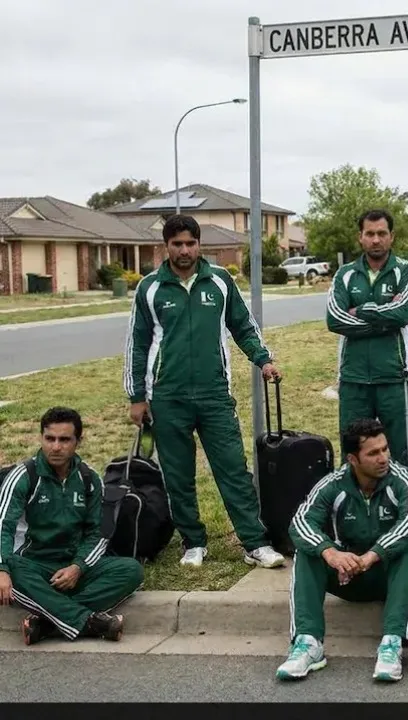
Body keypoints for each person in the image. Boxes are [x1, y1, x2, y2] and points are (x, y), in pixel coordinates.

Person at [124, 214, 285, 570]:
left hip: (215, 395)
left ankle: (255, 543)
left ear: (200, 244)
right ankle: (193, 543)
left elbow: (243, 326)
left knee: (233, 470)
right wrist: (137, 396)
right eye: (177, 244)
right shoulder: (150, 288)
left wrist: (263, 360)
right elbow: (137, 344)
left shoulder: (221, 281)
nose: (185, 250)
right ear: (165, 247)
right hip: (168, 397)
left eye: (191, 243)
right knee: (179, 474)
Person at [276, 419, 408, 683]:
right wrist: (331, 553)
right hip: (347, 575)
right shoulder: (332, 484)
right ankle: (308, 643)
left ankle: (391, 645)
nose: (383, 458)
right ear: (353, 459)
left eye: (385, 449)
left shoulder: (404, 481)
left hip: (387, 576)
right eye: (373, 453)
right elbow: (300, 523)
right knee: (308, 550)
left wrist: (373, 555)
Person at [0, 407, 144, 645]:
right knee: (12, 570)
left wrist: (78, 567)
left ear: (78, 441)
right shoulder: (24, 476)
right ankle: (90, 622)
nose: (56, 447)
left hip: (71, 567)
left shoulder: (89, 479)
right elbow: (3, 526)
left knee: (131, 570)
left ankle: (47, 622)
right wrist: (2, 569)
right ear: (41, 438)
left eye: (65, 440)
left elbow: (99, 533)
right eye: (50, 439)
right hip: (32, 565)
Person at [326, 209, 408, 464]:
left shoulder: (406, 271)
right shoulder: (345, 274)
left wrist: (361, 311)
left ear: (392, 236)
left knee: (404, 457)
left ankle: (404, 503)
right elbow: (335, 319)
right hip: (353, 378)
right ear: (361, 237)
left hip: (396, 377)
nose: (376, 239)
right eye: (370, 234)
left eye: (382, 233)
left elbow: (402, 313)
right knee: (353, 458)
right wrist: (383, 320)